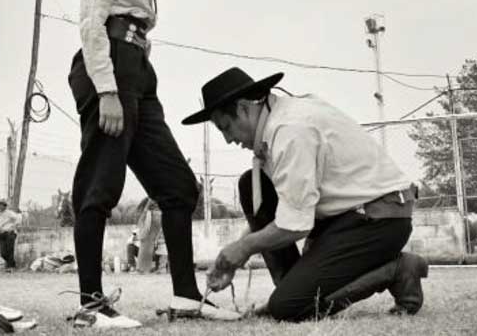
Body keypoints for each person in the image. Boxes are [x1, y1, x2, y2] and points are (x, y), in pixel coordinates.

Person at [67, 0, 238, 329]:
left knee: (179, 187)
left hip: (138, 71)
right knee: (100, 185)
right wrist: (106, 89)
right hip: (111, 67)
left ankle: (186, 297)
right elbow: (91, 21)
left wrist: (135, 72)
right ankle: (90, 305)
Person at [182, 68, 429, 322]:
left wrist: (243, 248)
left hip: (378, 219)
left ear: (244, 108)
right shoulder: (280, 120)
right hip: (345, 217)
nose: (228, 139)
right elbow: (290, 206)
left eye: (226, 127)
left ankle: (397, 270)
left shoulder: (291, 131)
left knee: (287, 308)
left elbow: (294, 225)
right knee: (250, 184)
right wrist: (236, 251)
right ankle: (293, 290)